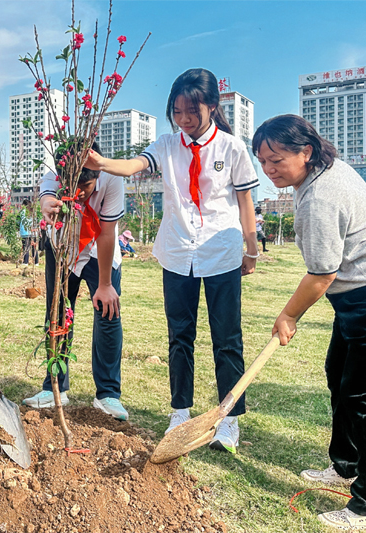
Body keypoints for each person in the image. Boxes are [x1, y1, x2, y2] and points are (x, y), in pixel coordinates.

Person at [254, 115, 366, 532]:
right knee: (340, 376)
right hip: (360, 295)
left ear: (306, 152)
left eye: (276, 160)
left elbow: (321, 275)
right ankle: (346, 464)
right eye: (263, 162)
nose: (269, 170)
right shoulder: (319, 174)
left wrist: (288, 315)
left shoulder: (321, 196)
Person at [86, 68, 260, 452]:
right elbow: (134, 165)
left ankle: (228, 420)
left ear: (211, 106)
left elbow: (245, 202)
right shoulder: (167, 144)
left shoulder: (232, 148)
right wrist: (102, 163)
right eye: (177, 111)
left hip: (221, 252)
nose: (184, 119)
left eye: (191, 112)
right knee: (180, 336)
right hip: (178, 253)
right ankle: (179, 412)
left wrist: (251, 249)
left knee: (227, 339)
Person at [22, 141, 128, 421]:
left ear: (98, 173)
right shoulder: (53, 175)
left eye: (86, 187)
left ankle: (108, 394)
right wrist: (48, 206)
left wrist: (105, 285)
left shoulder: (112, 179)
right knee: (57, 315)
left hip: (99, 251)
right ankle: (54, 387)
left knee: (108, 314)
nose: (79, 193)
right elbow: (46, 198)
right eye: (73, 187)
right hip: (63, 250)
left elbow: (107, 232)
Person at [19, 198, 38, 266]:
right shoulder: (33, 212)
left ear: (24, 205)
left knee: (26, 248)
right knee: (34, 248)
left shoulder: (22, 211)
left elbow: (18, 220)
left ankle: (26, 262)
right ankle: (36, 262)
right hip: (33, 232)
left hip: (25, 232)